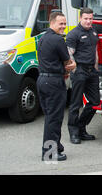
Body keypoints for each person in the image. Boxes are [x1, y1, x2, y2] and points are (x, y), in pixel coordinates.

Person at [37, 11, 76, 162]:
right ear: (51, 22)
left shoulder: (42, 38)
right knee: (54, 119)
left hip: (42, 80)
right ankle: (49, 153)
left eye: (65, 24)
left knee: (50, 117)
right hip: (54, 82)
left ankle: (56, 147)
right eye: (61, 23)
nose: (64, 27)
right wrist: (72, 65)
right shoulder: (58, 40)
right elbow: (69, 63)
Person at [65, 8, 100, 144]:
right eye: (86, 18)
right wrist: (73, 70)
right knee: (76, 103)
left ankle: (81, 128)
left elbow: (95, 50)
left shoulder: (93, 31)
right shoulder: (73, 34)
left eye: (90, 18)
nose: (88, 21)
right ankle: (73, 133)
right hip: (79, 70)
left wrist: (96, 69)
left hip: (92, 71)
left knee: (95, 102)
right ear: (80, 18)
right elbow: (69, 54)